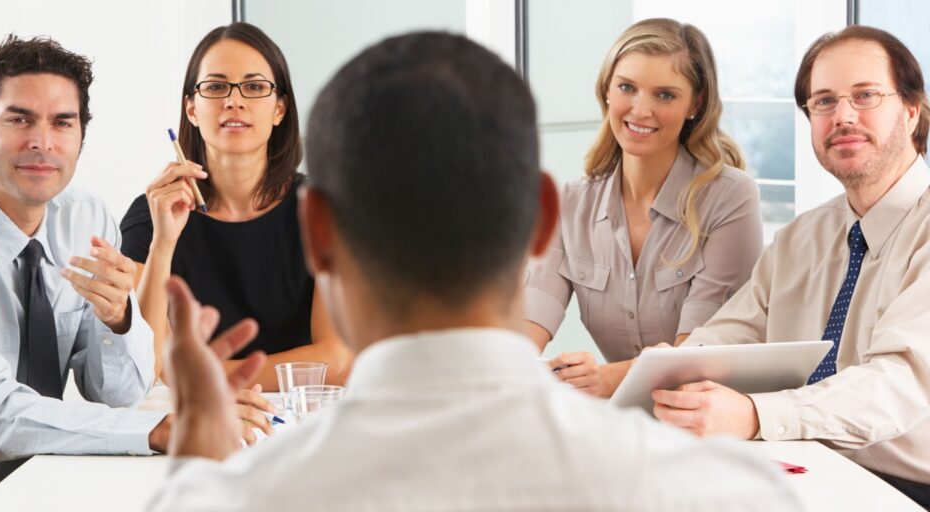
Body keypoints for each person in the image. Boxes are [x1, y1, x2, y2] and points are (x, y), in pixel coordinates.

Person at [146, 32, 801, 511]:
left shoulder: (225, 499)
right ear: (544, 218)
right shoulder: (729, 495)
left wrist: (201, 456)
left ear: (316, 233)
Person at [649, 26, 930, 508]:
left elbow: (900, 385)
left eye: (865, 95)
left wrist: (755, 415)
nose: (843, 116)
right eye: (823, 102)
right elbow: (732, 333)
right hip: (801, 467)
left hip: (906, 489)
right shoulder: (801, 238)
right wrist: (672, 372)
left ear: (910, 111)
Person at [0, 35, 181, 511]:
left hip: (38, 484)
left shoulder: (86, 219)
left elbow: (115, 396)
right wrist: (157, 429)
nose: (43, 142)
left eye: (62, 122)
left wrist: (118, 321)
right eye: (20, 119)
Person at [524, 18, 762, 396]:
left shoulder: (730, 197)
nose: (640, 110)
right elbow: (528, 323)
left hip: (713, 420)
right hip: (626, 423)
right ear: (606, 90)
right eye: (627, 87)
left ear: (695, 104)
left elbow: (699, 355)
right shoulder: (570, 202)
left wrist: (603, 378)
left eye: (664, 95)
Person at [120, 22, 352, 390]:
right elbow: (145, 364)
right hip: (192, 420)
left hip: (301, 422)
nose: (234, 100)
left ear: (280, 109)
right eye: (215, 87)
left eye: (255, 86)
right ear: (192, 109)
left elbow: (336, 361)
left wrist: (203, 376)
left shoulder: (322, 211)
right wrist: (163, 242)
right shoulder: (151, 212)